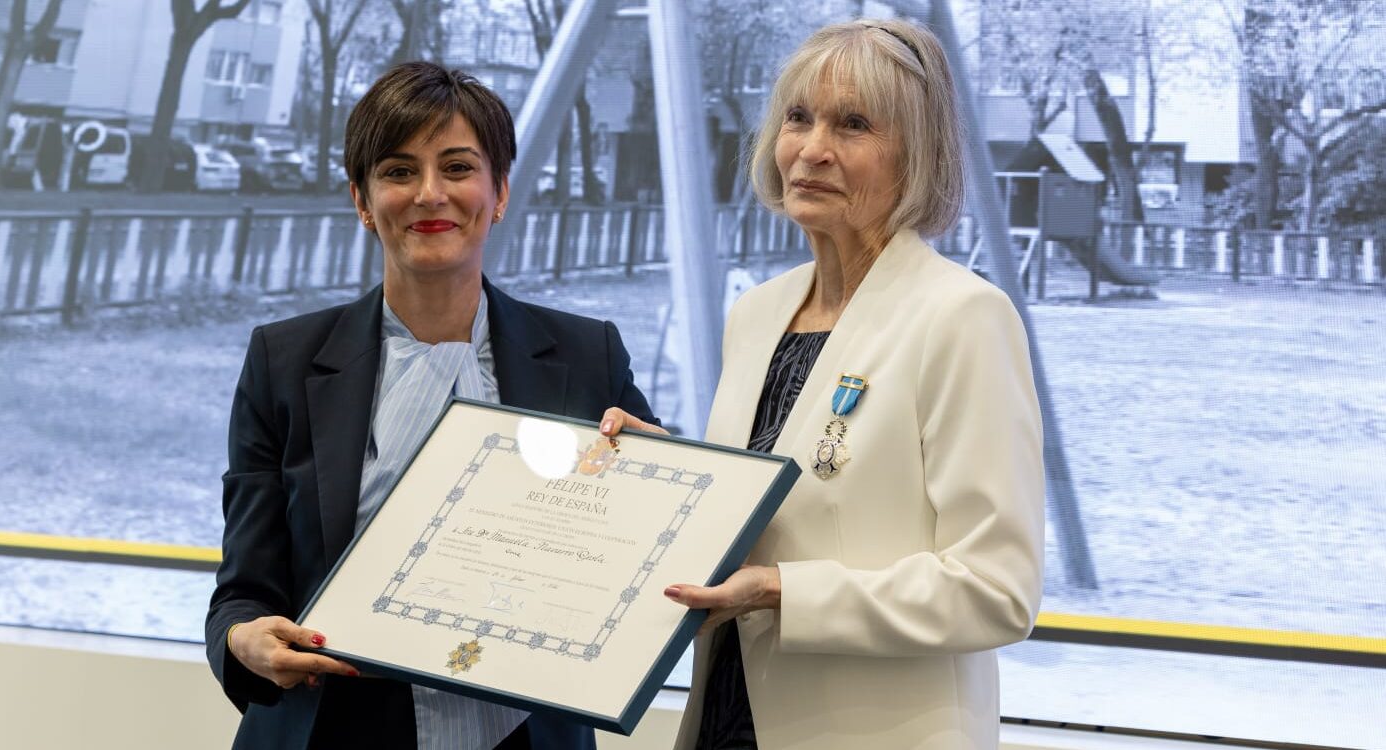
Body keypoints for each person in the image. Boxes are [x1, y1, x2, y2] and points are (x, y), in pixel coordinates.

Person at [600, 18, 1045, 749]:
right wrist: (671, 476)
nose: (812, 149)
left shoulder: (963, 317)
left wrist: (783, 592)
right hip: (724, 717)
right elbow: (781, 502)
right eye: (798, 118)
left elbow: (996, 591)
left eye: (853, 124)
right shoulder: (757, 313)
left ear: (918, 155)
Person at [205, 61, 657, 750]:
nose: (429, 194)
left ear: (499, 192)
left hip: (525, 734)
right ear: (362, 200)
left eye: (456, 167)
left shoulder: (587, 356)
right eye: (397, 171)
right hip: (334, 726)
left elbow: (645, 556)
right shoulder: (284, 361)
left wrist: (654, 488)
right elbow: (243, 590)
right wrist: (245, 639)